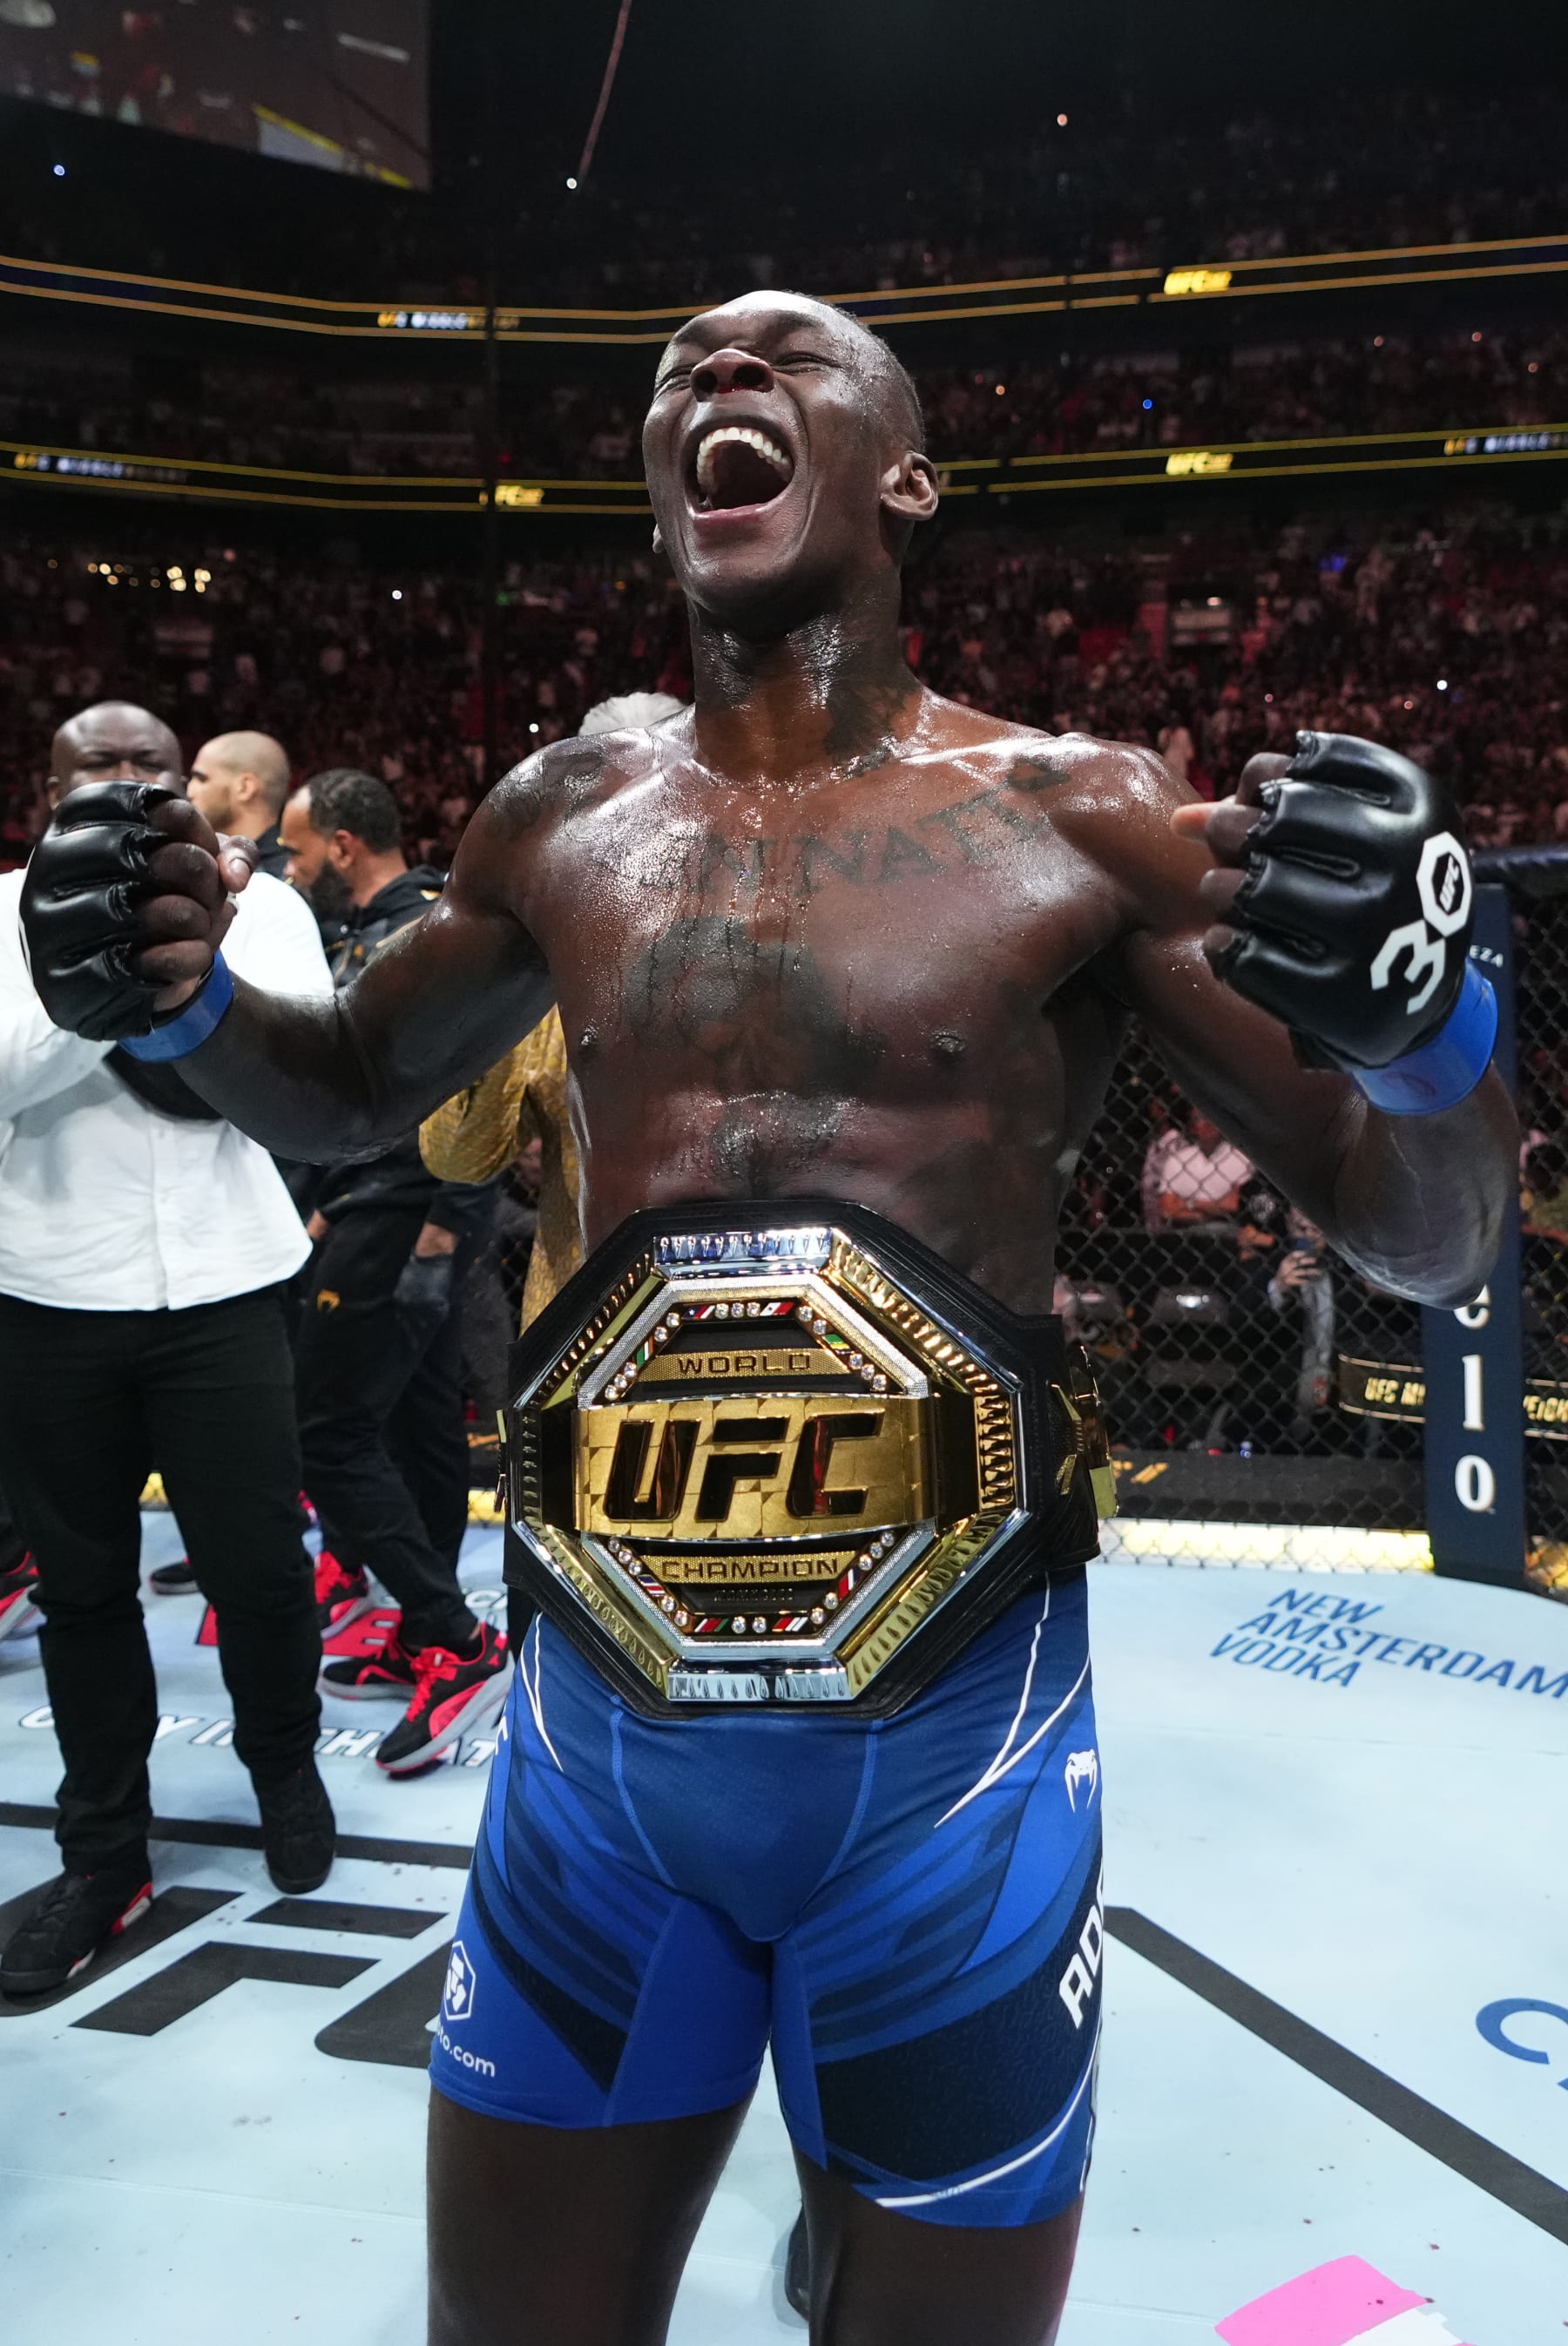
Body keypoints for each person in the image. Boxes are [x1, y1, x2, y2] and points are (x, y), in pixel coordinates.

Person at [21, 296, 1515, 2346]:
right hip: (596, 1752)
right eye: (685, 367)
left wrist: (1431, 1037)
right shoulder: (562, 808)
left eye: (787, 357)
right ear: (656, 487)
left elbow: (1421, 1231)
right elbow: (354, 1083)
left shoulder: (1080, 809)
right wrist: (184, 998)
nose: (720, 372)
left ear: (907, 478)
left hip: (951, 1768)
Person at [0, 701, 337, 1998]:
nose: (131, 778)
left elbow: (300, 1080)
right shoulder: (5, 910)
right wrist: (102, 984)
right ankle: (102, 1851)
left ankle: (285, 1766)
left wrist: (196, 963)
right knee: (81, 1591)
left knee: (260, 1570)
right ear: (53, 783)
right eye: (101, 762)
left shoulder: (265, 906)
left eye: (152, 761)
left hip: (225, 1285)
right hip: (48, 1290)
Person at [281, 768, 510, 1775]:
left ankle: (456, 1639)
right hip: (383, 1205)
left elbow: (473, 1076)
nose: (291, 871)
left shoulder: (422, 929)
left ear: (341, 844)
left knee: (327, 1430)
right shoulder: (380, 930)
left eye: (298, 851)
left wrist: (445, 1226)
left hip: (405, 1212)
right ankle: (429, 1632)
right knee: (418, 1428)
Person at [186, 728, 293, 878]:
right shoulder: (196, 857)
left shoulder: (285, 875)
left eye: (202, 779)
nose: (189, 792)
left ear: (245, 788)